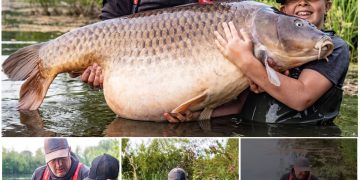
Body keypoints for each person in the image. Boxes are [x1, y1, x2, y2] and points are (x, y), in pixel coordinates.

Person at [80, 0, 349, 124]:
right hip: (252, 129)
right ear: (283, 9)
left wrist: (249, 65)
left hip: (304, 138)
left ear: (329, 5)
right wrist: (197, 115)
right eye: (292, 2)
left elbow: (300, 97)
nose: (301, 4)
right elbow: (241, 103)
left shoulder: (336, 47)